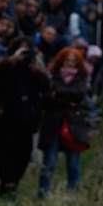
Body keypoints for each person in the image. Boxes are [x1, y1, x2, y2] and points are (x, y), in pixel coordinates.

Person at [0, 37, 51, 198]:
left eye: (27, 50)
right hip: (6, 116)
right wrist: (12, 60)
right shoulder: (7, 65)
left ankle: (13, 183)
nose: (24, 53)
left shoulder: (35, 68)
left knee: (24, 154)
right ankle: (7, 185)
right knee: (5, 153)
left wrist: (36, 67)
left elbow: (47, 85)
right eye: (21, 49)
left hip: (27, 118)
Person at [38, 47, 90, 196]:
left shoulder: (81, 78)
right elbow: (47, 98)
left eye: (74, 61)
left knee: (73, 164)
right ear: (61, 60)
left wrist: (58, 95)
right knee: (50, 162)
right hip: (53, 124)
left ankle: (72, 194)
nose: (70, 64)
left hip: (74, 126)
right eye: (68, 60)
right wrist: (68, 99)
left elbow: (79, 95)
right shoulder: (51, 76)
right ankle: (43, 192)